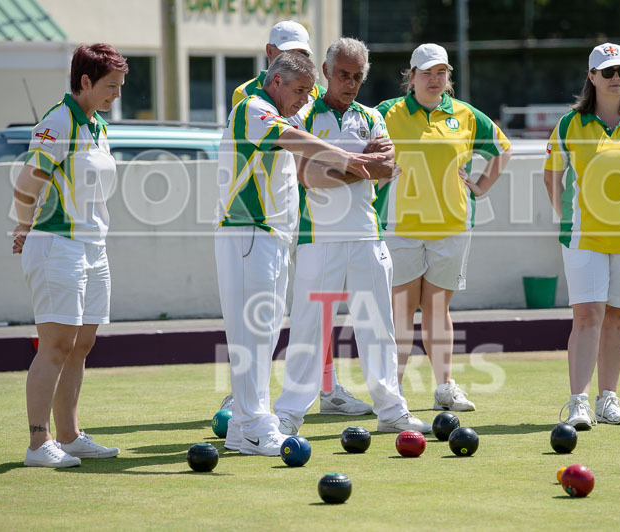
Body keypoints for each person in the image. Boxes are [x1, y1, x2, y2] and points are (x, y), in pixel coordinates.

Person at [215, 52, 386, 456]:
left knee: (265, 331)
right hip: (247, 234)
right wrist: (350, 158)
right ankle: (256, 424)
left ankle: (243, 426)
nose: (304, 100)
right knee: (252, 334)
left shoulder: (278, 107)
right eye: (299, 91)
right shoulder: (254, 108)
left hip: (271, 237)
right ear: (276, 81)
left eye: (309, 93)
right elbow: (294, 140)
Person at [273, 37, 432, 435]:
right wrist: (363, 165)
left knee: (378, 327)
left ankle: (392, 411)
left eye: (357, 76)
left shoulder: (371, 117)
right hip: (318, 238)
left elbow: (388, 166)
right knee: (309, 327)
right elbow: (305, 176)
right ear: (326, 72)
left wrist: (345, 168)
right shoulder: (303, 116)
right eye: (343, 74)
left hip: (367, 235)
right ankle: (289, 414)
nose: (350, 82)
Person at [376, 44, 512, 411]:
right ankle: (394, 392)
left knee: (437, 308)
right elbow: (357, 149)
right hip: (399, 226)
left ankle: (444, 388)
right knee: (401, 309)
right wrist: (378, 174)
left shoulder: (465, 115)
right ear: (412, 76)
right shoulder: (387, 113)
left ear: (448, 77)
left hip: (452, 226)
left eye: (441, 73)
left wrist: (481, 187)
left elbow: (502, 149)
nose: (434, 80)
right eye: (426, 73)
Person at [12, 43, 126, 467]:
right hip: (58, 246)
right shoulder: (59, 122)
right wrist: (25, 227)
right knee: (56, 344)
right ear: (85, 82)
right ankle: (38, 444)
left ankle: (69, 435)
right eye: (111, 86)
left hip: (92, 246)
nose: (117, 94)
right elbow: (27, 185)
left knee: (81, 343)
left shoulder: (97, 125)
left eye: (120, 86)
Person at [543, 43, 620, 429]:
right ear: (592, 77)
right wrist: (568, 217)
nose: (618, 79)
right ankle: (578, 401)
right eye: (609, 72)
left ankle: (607, 399)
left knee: (617, 317)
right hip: (584, 236)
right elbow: (552, 176)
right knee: (587, 315)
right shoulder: (569, 124)